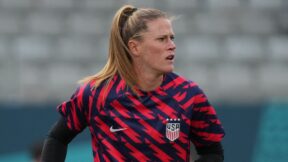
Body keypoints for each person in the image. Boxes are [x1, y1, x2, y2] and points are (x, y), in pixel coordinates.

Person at [41, 4, 225, 162]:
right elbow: (57, 138)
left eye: (172, 38)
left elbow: (212, 152)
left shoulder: (189, 94)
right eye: (162, 39)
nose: (172, 45)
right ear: (135, 47)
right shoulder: (96, 94)